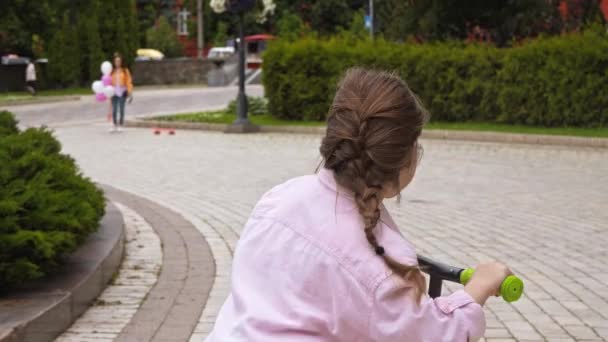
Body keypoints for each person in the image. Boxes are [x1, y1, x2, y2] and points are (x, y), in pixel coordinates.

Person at [205, 68, 513, 341]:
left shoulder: (277, 200)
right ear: (405, 159)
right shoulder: (379, 267)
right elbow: (434, 334)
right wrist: (479, 288)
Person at [110, 52, 133, 132]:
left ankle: (120, 124)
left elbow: (128, 82)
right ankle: (114, 124)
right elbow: (108, 82)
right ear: (114, 62)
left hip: (122, 92)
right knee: (114, 110)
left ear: (121, 62)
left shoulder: (125, 71)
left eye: (119, 61)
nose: (117, 63)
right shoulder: (111, 71)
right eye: (116, 61)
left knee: (121, 109)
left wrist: (130, 92)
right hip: (113, 93)